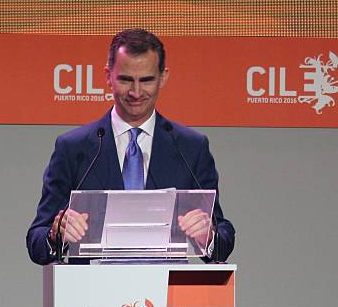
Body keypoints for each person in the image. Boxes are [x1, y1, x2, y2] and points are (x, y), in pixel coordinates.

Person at [27, 28, 235, 265]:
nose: (136, 92)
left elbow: (222, 238)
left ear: (163, 77)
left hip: (166, 295)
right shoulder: (73, 148)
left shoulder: (190, 148)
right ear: (108, 76)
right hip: (90, 295)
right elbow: (36, 241)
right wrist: (57, 233)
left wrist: (208, 235)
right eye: (126, 79)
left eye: (146, 80)